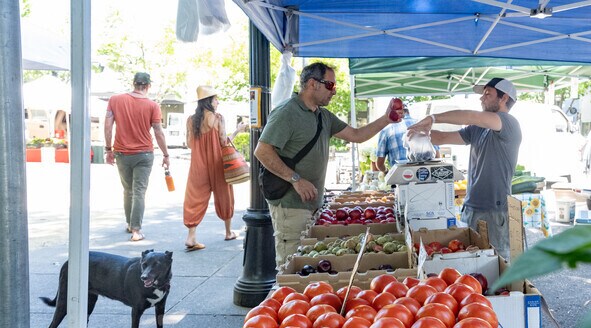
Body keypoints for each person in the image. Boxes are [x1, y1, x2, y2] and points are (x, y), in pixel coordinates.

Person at [254, 62, 403, 268]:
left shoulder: (323, 115)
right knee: (292, 265)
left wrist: (386, 119)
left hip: (312, 206)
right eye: (331, 85)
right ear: (313, 84)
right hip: (290, 206)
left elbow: (357, 135)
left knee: (309, 263)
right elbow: (262, 151)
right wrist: (295, 179)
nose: (334, 92)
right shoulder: (287, 112)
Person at [408, 77, 522, 260]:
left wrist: (433, 118)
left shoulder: (508, 123)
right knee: (469, 260)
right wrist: (420, 134)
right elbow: (443, 138)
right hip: (471, 206)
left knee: (497, 263)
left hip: (495, 209)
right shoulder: (478, 128)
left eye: (487, 93)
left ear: (504, 98)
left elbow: (471, 115)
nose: (482, 98)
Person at [104, 72, 170, 242]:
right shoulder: (152, 105)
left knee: (128, 190)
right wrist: (166, 154)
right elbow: (158, 131)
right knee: (139, 191)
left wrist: (108, 149)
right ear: (148, 86)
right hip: (144, 154)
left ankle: (129, 224)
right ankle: (136, 230)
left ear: (133, 84)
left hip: (121, 153)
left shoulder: (115, 100)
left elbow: (108, 126)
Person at [183, 85, 246, 251]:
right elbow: (224, 142)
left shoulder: (191, 120)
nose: (218, 102)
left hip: (198, 163)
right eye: (215, 99)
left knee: (194, 196)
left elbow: (190, 144)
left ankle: (191, 237)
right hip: (218, 163)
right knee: (225, 194)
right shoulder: (218, 118)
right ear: (209, 101)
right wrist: (238, 131)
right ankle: (228, 232)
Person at [375, 107, 417, 173]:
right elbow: (437, 157)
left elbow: (380, 164)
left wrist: (386, 171)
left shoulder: (386, 129)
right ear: (408, 112)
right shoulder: (422, 125)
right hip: (424, 176)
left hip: (399, 177)